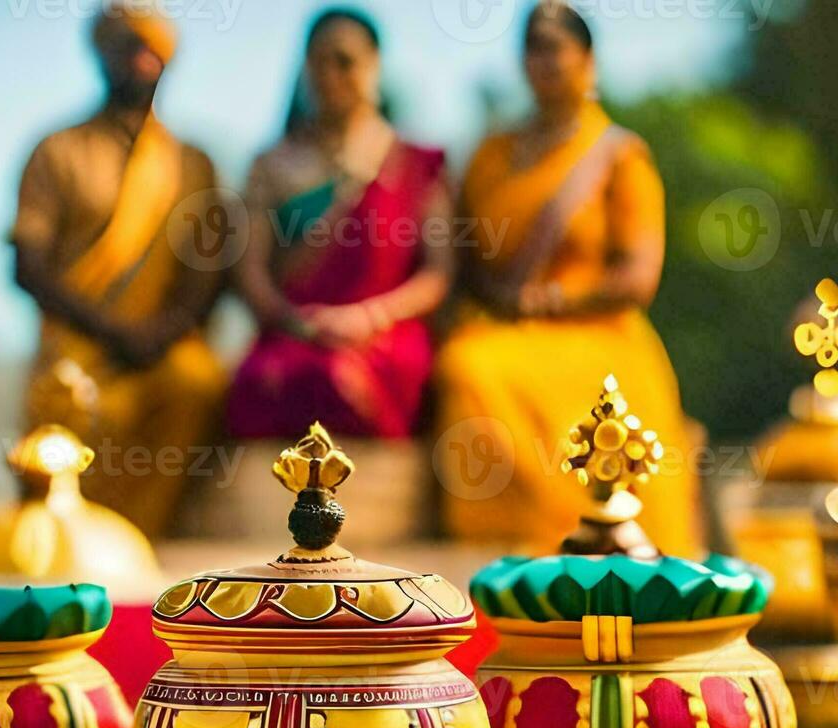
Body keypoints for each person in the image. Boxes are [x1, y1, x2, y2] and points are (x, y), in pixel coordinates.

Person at [434, 1, 701, 556]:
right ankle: (509, 558)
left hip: (599, 333)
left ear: (589, 60)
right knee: (466, 366)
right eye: (533, 46)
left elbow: (637, 279)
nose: (545, 59)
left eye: (557, 46)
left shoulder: (619, 156)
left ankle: (590, 543)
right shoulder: (491, 154)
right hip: (503, 330)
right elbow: (465, 261)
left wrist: (551, 301)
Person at [11, 4, 226, 537]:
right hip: (80, 343)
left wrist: (157, 333)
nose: (139, 58)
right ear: (100, 55)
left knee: (199, 382)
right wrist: (112, 332)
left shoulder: (194, 161)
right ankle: (71, 553)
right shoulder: (57, 151)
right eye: (125, 45)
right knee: (66, 402)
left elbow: (208, 271)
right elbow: (28, 267)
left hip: (160, 347)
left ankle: (145, 549)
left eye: (151, 46)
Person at [228, 7, 453, 440]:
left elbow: (437, 275)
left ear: (375, 67)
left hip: (385, 334)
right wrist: (298, 322)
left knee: (343, 379)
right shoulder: (270, 166)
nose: (330, 74)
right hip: (293, 332)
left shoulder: (415, 164)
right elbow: (250, 272)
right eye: (318, 61)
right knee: (260, 383)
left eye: (345, 61)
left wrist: (369, 317)